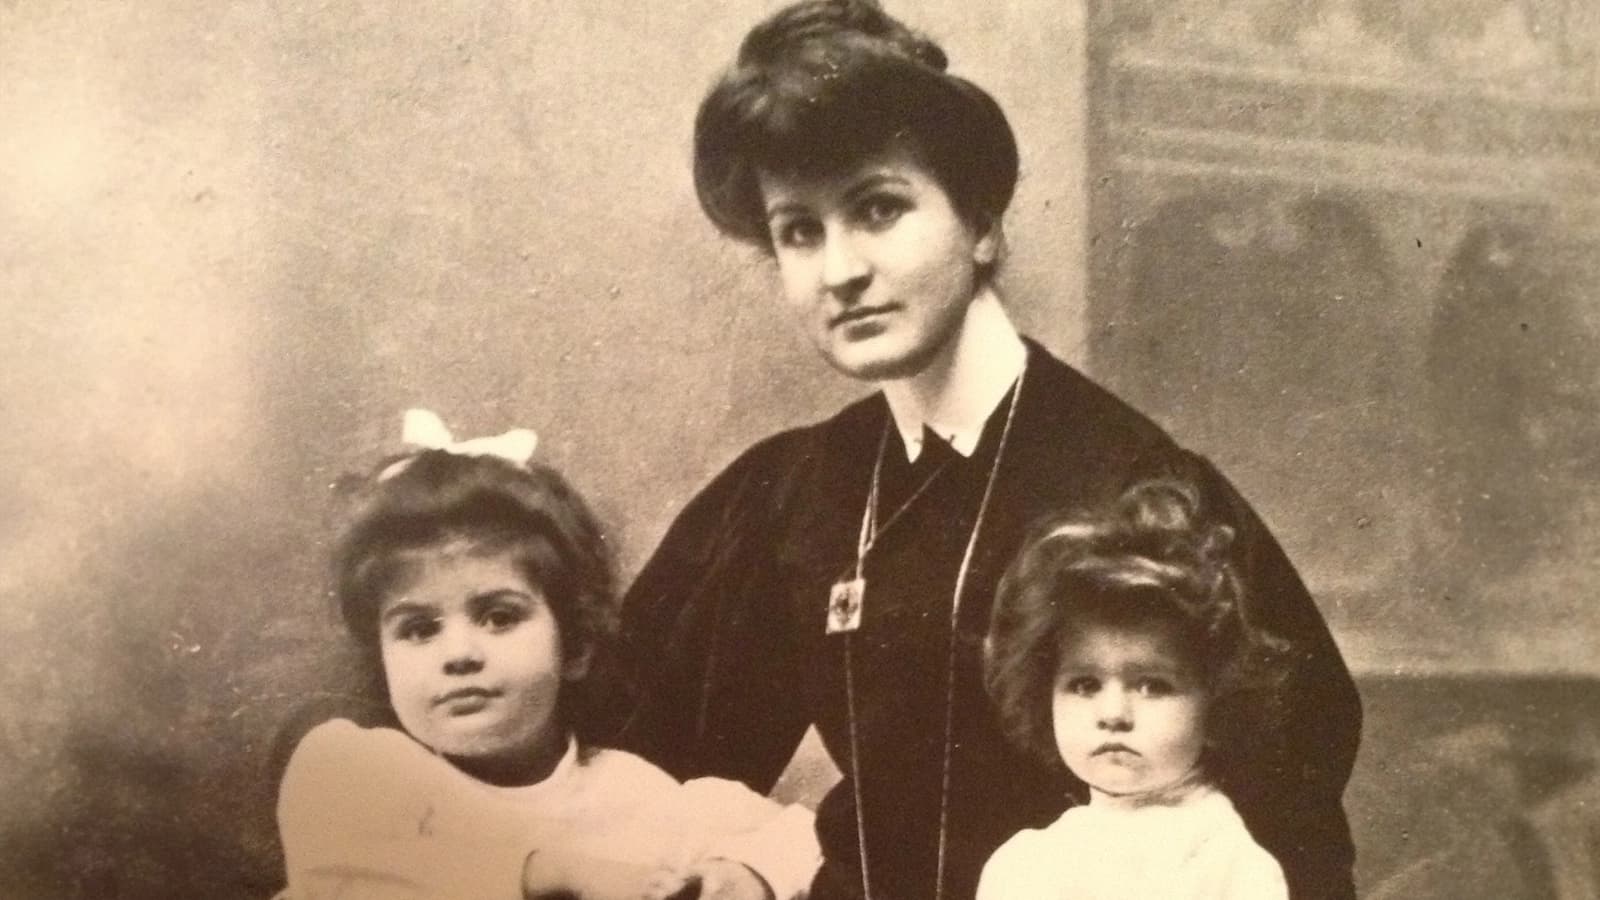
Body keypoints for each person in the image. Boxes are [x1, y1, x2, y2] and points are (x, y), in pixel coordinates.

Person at [601, 2, 1362, 898]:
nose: (839, 270)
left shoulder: (1134, 489)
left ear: (982, 222)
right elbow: (635, 769)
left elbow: (1292, 828)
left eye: (878, 208)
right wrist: (745, 870)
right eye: (798, 230)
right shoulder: (796, 492)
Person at [276, 410, 819, 900]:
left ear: (576, 646)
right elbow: (350, 871)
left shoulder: (625, 788)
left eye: (499, 617)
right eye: (419, 630)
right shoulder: (358, 771)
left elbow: (811, 838)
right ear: (382, 658)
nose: (459, 654)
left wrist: (745, 873)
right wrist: (564, 875)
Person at [978, 478, 1292, 899]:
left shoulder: (1227, 866)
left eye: (1152, 686)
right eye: (1084, 684)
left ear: (1216, 701)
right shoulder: (1027, 864)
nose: (1113, 713)